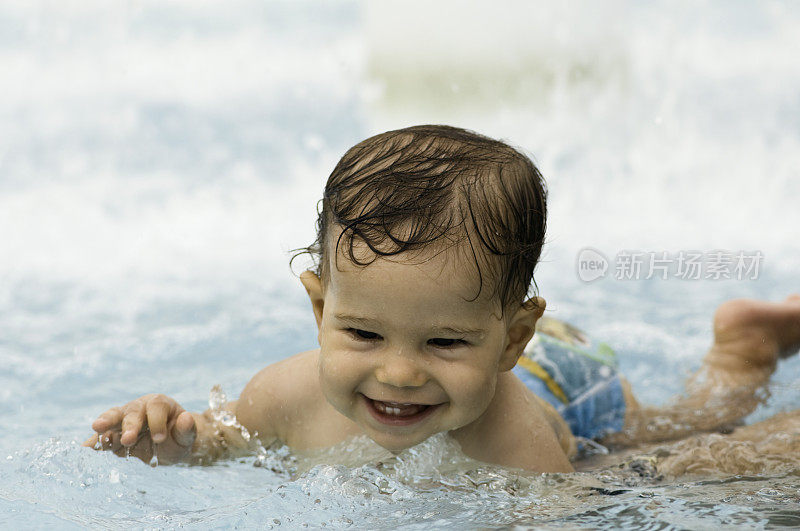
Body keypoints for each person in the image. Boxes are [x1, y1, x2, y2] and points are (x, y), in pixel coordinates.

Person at [83, 125, 800, 473]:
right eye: (362, 333)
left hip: (568, 382)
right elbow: (227, 441)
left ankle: (741, 353)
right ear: (320, 309)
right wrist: (175, 436)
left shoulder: (517, 443)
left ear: (509, 336)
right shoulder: (282, 393)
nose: (399, 372)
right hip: (512, 344)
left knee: (672, 437)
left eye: (442, 342)